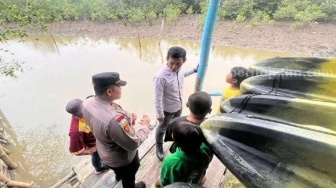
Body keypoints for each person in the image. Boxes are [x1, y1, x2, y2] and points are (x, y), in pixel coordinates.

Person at [82, 72, 154, 188]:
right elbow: (133, 144)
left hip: (104, 151)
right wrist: (147, 127)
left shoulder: (87, 103)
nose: (121, 89)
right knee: (129, 176)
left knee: (119, 172)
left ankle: (118, 175)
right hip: (122, 160)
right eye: (119, 86)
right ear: (109, 92)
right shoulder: (114, 120)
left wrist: (128, 117)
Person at [153, 46, 198, 161]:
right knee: (162, 128)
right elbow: (157, 97)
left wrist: (194, 70)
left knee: (176, 124)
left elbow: (183, 74)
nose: (174, 67)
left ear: (184, 61)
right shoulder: (160, 77)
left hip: (178, 105)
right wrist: (159, 114)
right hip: (166, 109)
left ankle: (175, 141)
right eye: (171, 63)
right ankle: (159, 146)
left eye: (178, 64)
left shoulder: (180, 70)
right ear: (167, 59)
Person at [154, 121, 213, 187]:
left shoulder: (170, 161)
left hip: (178, 185)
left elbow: (165, 180)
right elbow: (206, 166)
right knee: (203, 178)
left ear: (177, 143)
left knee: (158, 182)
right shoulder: (205, 149)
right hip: (195, 181)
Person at [65, 98, 108, 174]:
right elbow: (74, 150)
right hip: (93, 144)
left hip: (97, 136)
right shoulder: (75, 131)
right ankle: (99, 169)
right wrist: (88, 151)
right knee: (96, 155)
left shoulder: (87, 108)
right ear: (76, 115)